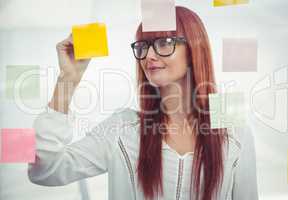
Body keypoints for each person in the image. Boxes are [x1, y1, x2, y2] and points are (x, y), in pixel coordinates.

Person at [28, 6, 258, 200]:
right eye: (143, 46)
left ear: (194, 50)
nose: (149, 56)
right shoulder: (123, 128)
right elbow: (44, 170)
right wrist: (67, 80)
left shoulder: (231, 125)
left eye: (165, 42)